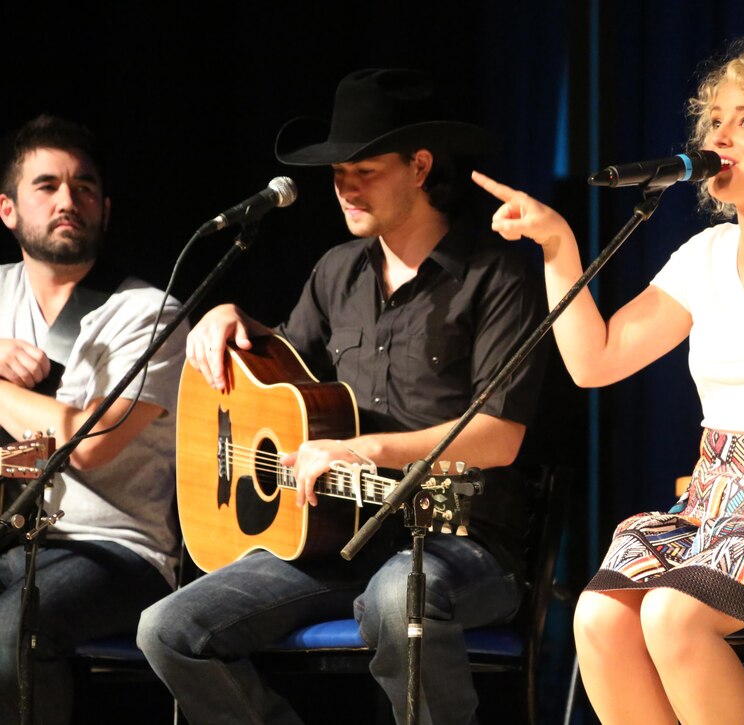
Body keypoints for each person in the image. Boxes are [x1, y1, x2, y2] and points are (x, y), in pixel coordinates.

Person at [474, 38, 744, 724]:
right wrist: (558, 246)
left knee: (672, 613)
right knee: (599, 615)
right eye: (716, 120)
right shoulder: (704, 255)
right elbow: (596, 360)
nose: (719, 135)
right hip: (715, 507)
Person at [137, 68, 547, 724]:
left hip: (457, 538)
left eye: (364, 170)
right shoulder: (337, 272)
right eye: (337, 174)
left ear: (418, 166)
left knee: (396, 601)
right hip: (335, 538)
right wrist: (230, 317)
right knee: (168, 628)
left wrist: (363, 447)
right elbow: (282, 381)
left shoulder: (495, 275)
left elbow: (499, 435)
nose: (345, 187)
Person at [0, 114, 187, 724]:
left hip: (117, 552)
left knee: (16, 629)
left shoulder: (148, 313)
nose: (67, 201)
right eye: (47, 186)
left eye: (83, 188)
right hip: (12, 536)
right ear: (8, 211)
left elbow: (86, 444)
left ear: (105, 209)